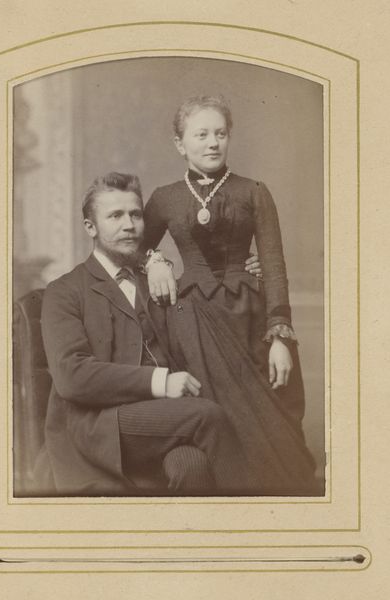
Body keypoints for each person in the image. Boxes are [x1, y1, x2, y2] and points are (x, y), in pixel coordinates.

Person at [40, 172, 265, 496]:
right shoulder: (64, 291)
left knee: (191, 465)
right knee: (207, 416)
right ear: (91, 227)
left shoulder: (156, 281)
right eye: (115, 216)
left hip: (161, 418)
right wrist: (161, 381)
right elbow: (71, 377)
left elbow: (207, 319)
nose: (129, 225)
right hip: (99, 423)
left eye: (135, 214)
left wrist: (244, 272)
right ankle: (250, 518)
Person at [142, 95, 318, 495]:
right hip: (192, 327)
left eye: (220, 134)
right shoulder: (165, 197)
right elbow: (136, 248)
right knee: (217, 428)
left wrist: (279, 337)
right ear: (180, 143)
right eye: (201, 134)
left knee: (274, 430)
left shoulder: (253, 191)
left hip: (251, 320)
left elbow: (273, 264)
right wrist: (155, 261)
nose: (212, 143)